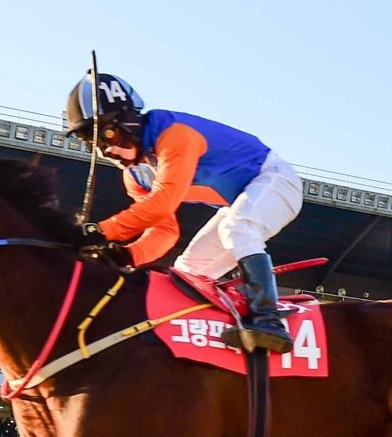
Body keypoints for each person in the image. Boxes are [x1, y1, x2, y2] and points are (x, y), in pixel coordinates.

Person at [65, 71, 302, 353]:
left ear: (128, 118)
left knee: (236, 228)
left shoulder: (174, 135)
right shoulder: (136, 176)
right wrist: (128, 254)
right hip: (241, 201)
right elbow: (165, 231)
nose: (107, 151)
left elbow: (162, 203)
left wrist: (101, 231)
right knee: (187, 272)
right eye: (96, 145)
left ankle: (268, 319)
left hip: (276, 180)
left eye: (107, 134)